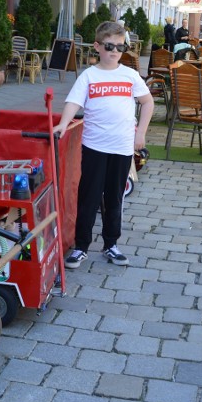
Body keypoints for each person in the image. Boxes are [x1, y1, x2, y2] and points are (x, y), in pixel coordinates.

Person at [53, 21, 154, 269]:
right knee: (88, 197)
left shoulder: (130, 76)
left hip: (121, 147)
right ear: (97, 46)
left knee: (114, 198)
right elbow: (73, 103)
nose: (115, 51)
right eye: (109, 45)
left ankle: (111, 244)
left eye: (121, 46)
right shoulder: (89, 76)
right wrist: (63, 124)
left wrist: (140, 132)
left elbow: (148, 102)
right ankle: (81, 246)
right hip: (95, 146)